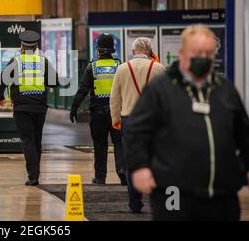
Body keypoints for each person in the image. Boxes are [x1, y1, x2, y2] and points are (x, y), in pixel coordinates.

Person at [126, 25, 249, 221]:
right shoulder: (161, 88)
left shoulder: (225, 89)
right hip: (173, 190)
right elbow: (136, 131)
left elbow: (243, 133)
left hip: (222, 193)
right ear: (182, 54)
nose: (203, 57)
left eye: (208, 53)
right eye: (197, 52)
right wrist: (140, 167)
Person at [0, 30, 59, 186]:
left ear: (21, 46)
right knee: (37, 140)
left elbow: (1, 82)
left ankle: (33, 175)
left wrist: (0, 97)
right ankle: (35, 172)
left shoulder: (15, 61)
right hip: (40, 108)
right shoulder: (43, 62)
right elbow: (55, 82)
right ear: (36, 46)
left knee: (28, 141)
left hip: (22, 108)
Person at [110, 37, 165, 213]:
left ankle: (135, 203)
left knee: (132, 161)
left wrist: (115, 118)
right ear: (150, 51)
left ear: (133, 51)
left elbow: (115, 97)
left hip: (129, 120)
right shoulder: (159, 68)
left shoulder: (122, 69)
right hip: (154, 120)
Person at [70, 34, 126, 186]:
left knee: (100, 144)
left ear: (98, 50)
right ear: (112, 50)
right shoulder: (120, 65)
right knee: (119, 142)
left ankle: (100, 177)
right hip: (117, 112)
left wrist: (74, 107)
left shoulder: (92, 67)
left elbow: (83, 90)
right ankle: (122, 172)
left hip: (98, 113)